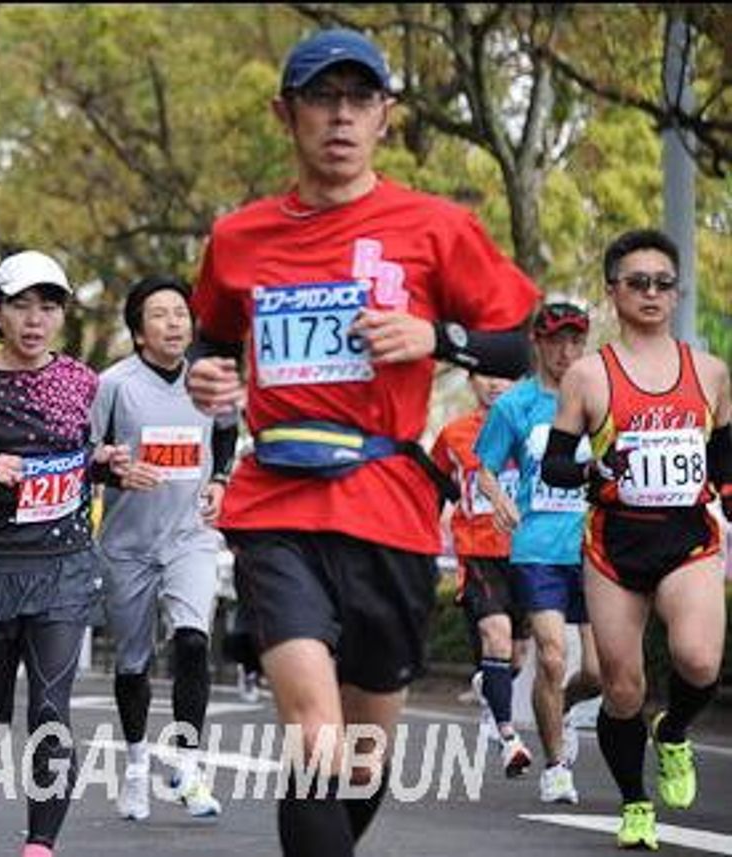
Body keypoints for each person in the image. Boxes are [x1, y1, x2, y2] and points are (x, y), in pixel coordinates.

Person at [184, 28, 540, 856]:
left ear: (386, 115)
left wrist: (435, 335)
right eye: (321, 99)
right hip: (276, 498)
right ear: (287, 113)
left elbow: (516, 343)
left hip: (386, 504)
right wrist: (211, 378)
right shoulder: (239, 237)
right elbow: (210, 337)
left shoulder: (436, 226)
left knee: (365, 751)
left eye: (358, 100)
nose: (340, 118)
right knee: (316, 734)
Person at [0, 250, 130, 857]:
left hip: (61, 567)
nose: (36, 319)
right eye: (21, 306)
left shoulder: (82, 382)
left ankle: (40, 843)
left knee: (49, 708)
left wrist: (106, 465)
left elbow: (79, 461)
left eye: (49, 306)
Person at [542, 228, 731, 850]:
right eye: (637, 282)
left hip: (687, 541)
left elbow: (724, 460)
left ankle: (673, 732)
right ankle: (635, 804)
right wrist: (593, 472)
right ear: (613, 292)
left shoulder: (710, 371)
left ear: (676, 293)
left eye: (663, 283)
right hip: (614, 548)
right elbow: (555, 467)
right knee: (622, 687)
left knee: (699, 659)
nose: (651, 293)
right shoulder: (588, 376)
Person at [90, 275, 236, 822]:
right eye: (160, 314)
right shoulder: (114, 385)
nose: (175, 323)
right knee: (133, 663)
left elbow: (225, 433)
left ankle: (190, 769)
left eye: (181, 313)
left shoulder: (210, 378)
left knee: (194, 641)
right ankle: (133, 767)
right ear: (137, 330)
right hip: (127, 545)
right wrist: (112, 465)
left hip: (190, 538)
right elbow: (83, 455)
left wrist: (219, 479)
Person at [474, 301, 603, 804]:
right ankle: (556, 768)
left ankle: (560, 708)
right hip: (538, 547)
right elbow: (484, 467)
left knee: (598, 674)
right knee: (551, 657)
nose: (566, 352)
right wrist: (501, 498)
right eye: (556, 342)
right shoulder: (516, 405)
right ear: (538, 342)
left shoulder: (598, 395)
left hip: (594, 549)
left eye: (575, 341)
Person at [431, 372, 534, 777]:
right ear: (471, 381)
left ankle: (493, 691)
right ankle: (508, 737)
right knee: (497, 635)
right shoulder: (454, 434)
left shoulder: (536, 428)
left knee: (519, 654)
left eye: (506, 377)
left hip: (528, 554)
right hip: (478, 554)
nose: (495, 384)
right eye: (485, 376)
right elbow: (438, 487)